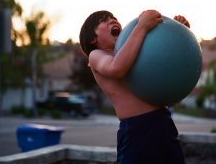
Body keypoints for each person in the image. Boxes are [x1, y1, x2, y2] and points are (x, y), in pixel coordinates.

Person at [79, 10, 190, 164]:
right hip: (137, 129)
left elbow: (164, 61)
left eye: (114, 18)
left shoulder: (133, 51)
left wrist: (176, 33)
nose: (112, 20)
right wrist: (142, 27)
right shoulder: (97, 55)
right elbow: (116, 68)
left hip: (162, 122)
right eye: (104, 20)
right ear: (92, 39)